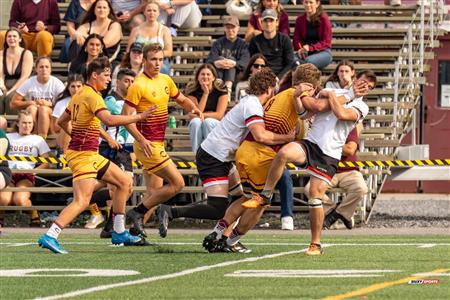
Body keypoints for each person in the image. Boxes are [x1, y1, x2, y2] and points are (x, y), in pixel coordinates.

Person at [243, 71, 376, 256]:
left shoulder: (361, 106)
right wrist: (298, 97)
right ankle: (265, 194)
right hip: (311, 143)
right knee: (283, 153)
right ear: (354, 80)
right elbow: (305, 114)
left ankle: (316, 244)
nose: (364, 88)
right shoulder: (332, 91)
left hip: (328, 154)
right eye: (362, 83)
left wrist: (336, 95)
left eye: (369, 87)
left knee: (315, 195)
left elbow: (341, 113)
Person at [157, 68, 295, 246]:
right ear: (269, 89)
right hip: (213, 156)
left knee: (241, 197)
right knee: (217, 207)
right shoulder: (252, 105)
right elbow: (260, 135)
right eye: (273, 89)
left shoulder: (251, 103)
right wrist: (288, 138)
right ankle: (170, 211)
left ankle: (221, 238)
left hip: (222, 156)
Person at [37, 56, 156, 254]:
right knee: (82, 201)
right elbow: (108, 120)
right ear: (94, 75)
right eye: (106, 75)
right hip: (83, 155)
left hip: (90, 154)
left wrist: (78, 135)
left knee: (124, 183)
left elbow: (61, 122)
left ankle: (119, 232)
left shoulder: (81, 94)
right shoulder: (92, 96)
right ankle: (50, 235)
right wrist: (139, 117)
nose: (109, 79)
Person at [202, 64, 320, 253]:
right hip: (261, 155)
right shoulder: (300, 94)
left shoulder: (280, 95)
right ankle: (230, 241)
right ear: (311, 86)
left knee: (246, 198)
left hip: (245, 151)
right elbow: (312, 110)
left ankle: (218, 232)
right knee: (260, 203)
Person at [122, 43, 203, 238]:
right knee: (177, 183)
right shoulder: (138, 85)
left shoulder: (165, 80)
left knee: (154, 192)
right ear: (144, 60)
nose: (157, 63)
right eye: (153, 59)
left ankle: (134, 232)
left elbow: (181, 99)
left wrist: (194, 108)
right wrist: (141, 140)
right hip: (148, 146)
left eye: (160, 59)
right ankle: (136, 213)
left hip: (157, 143)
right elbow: (126, 118)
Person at [305, 124, 368, 230]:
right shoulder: (323, 127)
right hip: (327, 170)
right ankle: (337, 211)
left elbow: (349, 150)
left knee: (361, 188)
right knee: (308, 189)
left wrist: (326, 143)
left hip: (350, 170)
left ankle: (338, 214)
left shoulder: (349, 126)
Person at [98, 68, 137, 237]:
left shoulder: (132, 101)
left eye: (132, 81)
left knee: (127, 188)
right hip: (113, 149)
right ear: (118, 82)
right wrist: (109, 138)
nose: (130, 84)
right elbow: (97, 123)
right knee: (120, 187)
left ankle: (109, 226)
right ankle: (113, 227)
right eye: (127, 81)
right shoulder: (110, 100)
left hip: (126, 150)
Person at [0, 110, 51, 227]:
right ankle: (1, 219)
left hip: (26, 175)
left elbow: (47, 162)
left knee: (20, 200)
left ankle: (34, 216)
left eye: (30, 123)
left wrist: (33, 172)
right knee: (4, 200)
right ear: (17, 123)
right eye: (24, 123)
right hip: (9, 173)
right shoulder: (8, 137)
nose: (27, 126)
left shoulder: (38, 139)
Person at [10, 57, 65, 138]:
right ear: (36, 69)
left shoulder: (57, 83)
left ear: (50, 69)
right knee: (32, 108)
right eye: (41, 67)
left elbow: (65, 105)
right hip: (33, 116)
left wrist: (50, 104)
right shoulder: (29, 82)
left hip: (51, 121)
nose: (44, 69)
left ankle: (41, 140)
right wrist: (31, 102)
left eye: (47, 67)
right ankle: (31, 138)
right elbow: (13, 104)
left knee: (43, 109)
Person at [185, 64, 229, 153]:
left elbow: (219, 115)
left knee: (207, 122)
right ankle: (197, 155)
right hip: (200, 122)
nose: (205, 76)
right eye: (202, 74)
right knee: (195, 122)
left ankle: (210, 154)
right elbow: (195, 115)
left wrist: (200, 115)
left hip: (215, 123)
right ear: (198, 77)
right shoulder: (192, 92)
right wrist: (205, 94)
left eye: (208, 74)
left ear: (213, 78)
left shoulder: (221, 90)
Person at [127, 1, 173, 74]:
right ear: (144, 12)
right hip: (138, 61)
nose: (152, 13)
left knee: (163, 69)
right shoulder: (135, 30)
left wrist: (153, 56)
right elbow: (129, 50)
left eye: (154, 10)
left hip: (158, 62)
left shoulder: (165, 30)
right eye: (149, 10)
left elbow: (169, 52)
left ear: (158, 13)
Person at [206, 15, 250, 92]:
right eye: (228, 27)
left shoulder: (243, 44)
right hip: (219, 76)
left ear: (238, 28)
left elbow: (245, 63)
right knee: (219, 59)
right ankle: (221, 86)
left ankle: (227, 89)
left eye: (233, 27)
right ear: (224, 29)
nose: (230, 30)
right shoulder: (218, 43)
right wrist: (216, 62)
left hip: (237, 77)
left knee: (231, 60)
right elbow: (209, 60)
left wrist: (233, 64)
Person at [248, 9, 295, 79]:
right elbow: (251, 63)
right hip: (261, 77)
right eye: (265, 21)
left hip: (281, 77)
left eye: (271, 20)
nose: (268, 24)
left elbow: (290, 64)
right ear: (261, 23)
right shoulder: (255, 41)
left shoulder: (285, 39)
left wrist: (278, 78)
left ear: (277, 22)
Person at [0, 28, 33, 115]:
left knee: (10, 98)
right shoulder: (1, 54)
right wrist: (2, 87)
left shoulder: (27, 53)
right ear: (6, 39)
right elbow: (0, 75)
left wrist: (10, 91)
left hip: (21, 85)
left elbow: (25, 77)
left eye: (14, 36)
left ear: (20, 39)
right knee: (0, 96)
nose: (12, 38)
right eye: (9, 36)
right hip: (5, 83)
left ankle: (12, 124)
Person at [293, 0, 332, 70]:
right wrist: (300, 48)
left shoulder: (324, 19)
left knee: (308, 62)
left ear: (317, 4)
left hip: (322, 52)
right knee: (290, 59)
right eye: (306, 2)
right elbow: (296, 39)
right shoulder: (299, 19)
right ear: (303, 3)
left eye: (311, 2)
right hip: (305, 52)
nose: (308, 5)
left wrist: (311, 48)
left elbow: (326, 42)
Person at [51, 74, 84, 153]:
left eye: (79, 86)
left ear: (83, 87)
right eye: (73, 86)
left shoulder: (90, 101)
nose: (76, 89)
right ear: (68, 88)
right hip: (65, 135)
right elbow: (55, 127)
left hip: (85, 134)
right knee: (67, 124)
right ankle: (65, 159)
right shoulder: (61, 103)